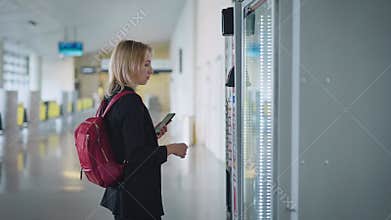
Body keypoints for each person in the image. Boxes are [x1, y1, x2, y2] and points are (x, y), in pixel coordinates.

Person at [100, 40, 188, 220]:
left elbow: (123, 142)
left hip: (122, 192)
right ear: (129, 65)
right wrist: (171, 149)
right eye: (146, 64)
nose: (151, 70)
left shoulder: (112, 98)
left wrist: (150, 133)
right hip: (137, 195)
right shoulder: (131, 102)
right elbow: (138, 159)